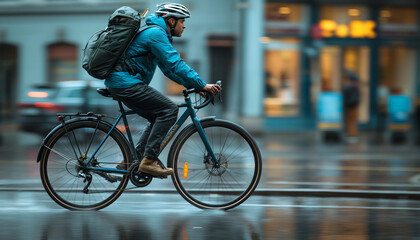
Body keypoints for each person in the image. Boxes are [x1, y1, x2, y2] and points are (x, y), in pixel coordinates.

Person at [105, 3, 221, 177]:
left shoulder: (155, 34)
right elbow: (176, 63)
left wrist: (195, 86)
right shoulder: (156, 34)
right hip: (125, 83)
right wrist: (203, 84)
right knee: (169, 110)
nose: (184, 25)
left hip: (123, 83)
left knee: (157, 116)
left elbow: (169, 69)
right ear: (171, 21)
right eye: (182, 21)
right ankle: (149, 161)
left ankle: (132, 161)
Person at [342, 70, 360, 141]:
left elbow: (348, 97)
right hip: (352, 106)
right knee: (352, 121)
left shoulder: (350, 87)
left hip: (350, 106)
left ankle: (351, 135)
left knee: (351, 121)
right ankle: (352, 134)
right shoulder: (355, 88)